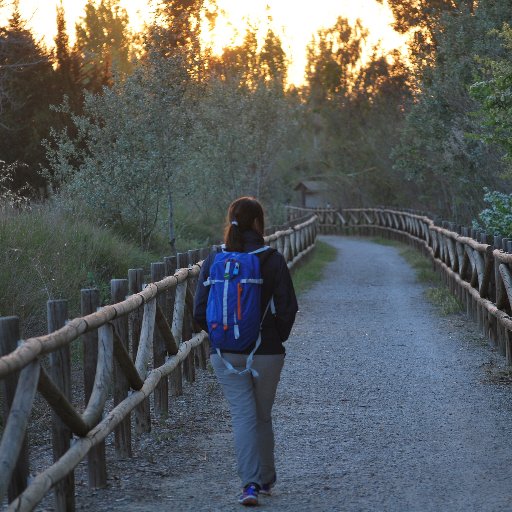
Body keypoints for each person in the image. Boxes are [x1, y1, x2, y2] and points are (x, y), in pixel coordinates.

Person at [193, 196, 298, 507]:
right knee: (262, 415)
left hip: (225, 353)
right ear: (257, 223)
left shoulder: (214, 260)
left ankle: (250, 485)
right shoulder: (273, 259)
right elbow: (288, 308)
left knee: (243, 416)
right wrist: (274, 338)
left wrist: (218, 340)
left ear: (231, 222)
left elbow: (199, 310)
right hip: (266, 352)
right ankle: (266, 479)